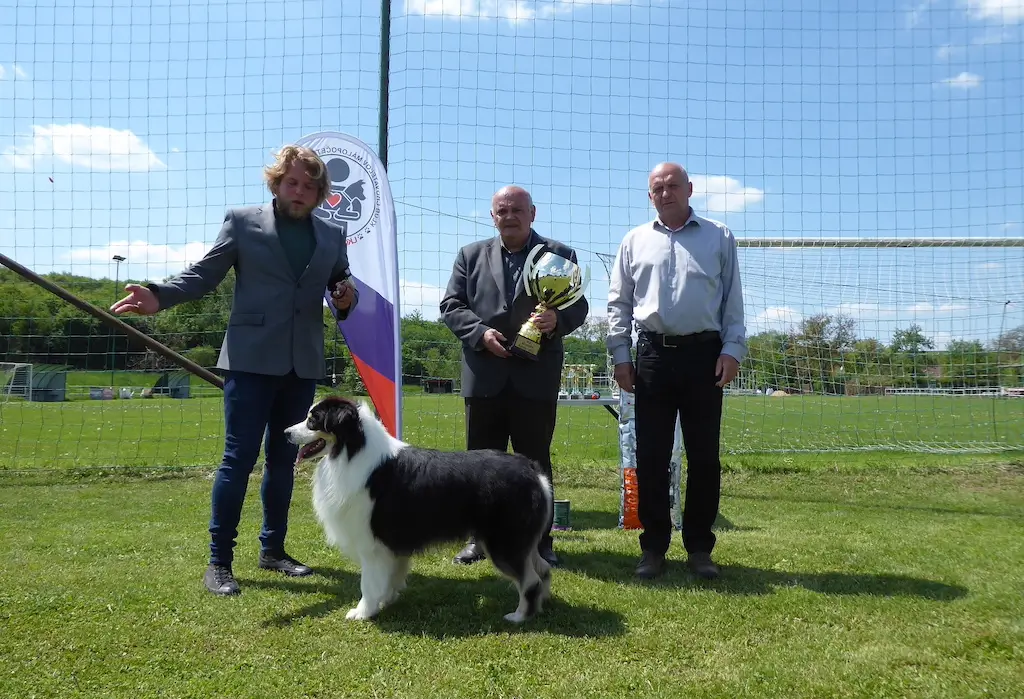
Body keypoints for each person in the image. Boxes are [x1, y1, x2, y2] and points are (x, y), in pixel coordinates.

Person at [111, 145, 358, 596]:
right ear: (276, 183)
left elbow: (342, 288)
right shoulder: (243, 222)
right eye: (291, 182)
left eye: (308, 185)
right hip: (249, 360)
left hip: (301, 363)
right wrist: (158, 295)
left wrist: (345, 299)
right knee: (238, 460)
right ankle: (219, 563)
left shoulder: (331, 236)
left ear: (320, 193)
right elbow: (203, 274)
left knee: (284, 460)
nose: (299, 191)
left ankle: (273, 550)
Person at [606, 162, 746, 580]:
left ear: (690, 189)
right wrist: (620, 354)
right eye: (657, 188)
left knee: (704, 458)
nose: (665, 192)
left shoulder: (719, 237)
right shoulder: (634, 240)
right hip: (651, 356)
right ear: (650, 195)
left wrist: (732, 349)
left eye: (672, 186)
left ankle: (700, 548)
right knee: (650, 456)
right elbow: (619, 303)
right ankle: (653, 548)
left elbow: (732, 302)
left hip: (705, 356)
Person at [440, 185, 589, 568]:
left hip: (534, 378)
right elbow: (450, 305)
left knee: (536, 464)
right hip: (484, 376)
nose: (510, 216)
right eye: (502, 210)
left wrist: (557, 320)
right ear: (492, 215)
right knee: (478, 465)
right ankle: (479, 539)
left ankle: (541, 541)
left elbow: (580, 305)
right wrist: (480, 334)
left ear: (533, 213)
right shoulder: (469, 256)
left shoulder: (560, 255)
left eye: (517, 210)